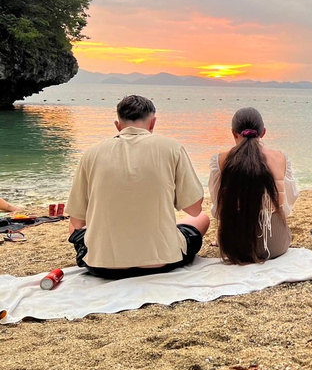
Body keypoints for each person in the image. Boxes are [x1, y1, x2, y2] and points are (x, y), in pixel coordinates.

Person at [66, 95, 210, 279]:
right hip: (162, 260)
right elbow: (194, 210)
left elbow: (78, 222)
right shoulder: (172, 148)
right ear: (153, 123)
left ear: (117, 125)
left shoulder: (91, 154)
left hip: (102, 266)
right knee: (203, 219)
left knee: (73, 224)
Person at [208, 107, 297, 263]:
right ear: (263, 132)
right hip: (275, 245)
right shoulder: (280, 158)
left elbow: (218, 207)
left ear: (233, 133)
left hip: (234, 246)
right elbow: (288, 202)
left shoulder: (220, 161)